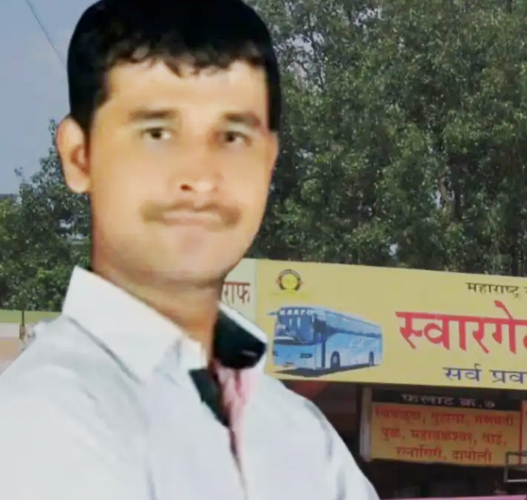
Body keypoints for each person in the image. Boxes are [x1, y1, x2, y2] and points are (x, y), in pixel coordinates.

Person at [0, 1, 379, 499]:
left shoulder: (303, 436)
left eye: (232, 137)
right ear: (79, 156)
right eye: (157, 133)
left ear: (269, 163)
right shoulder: (41, 422)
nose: (200, 178)